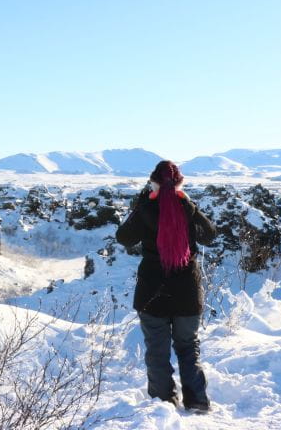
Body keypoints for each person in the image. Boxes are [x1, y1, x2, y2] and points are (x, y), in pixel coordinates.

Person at [116, 160, 217, 413]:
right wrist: (189, 203)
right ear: (181, 183)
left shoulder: (146, 209)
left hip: (153, 293)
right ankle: (197, 402)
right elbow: (210, 235)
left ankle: (162, 406)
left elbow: (124, 237)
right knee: (188, 348)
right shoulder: (187, 209)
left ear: (153, 183)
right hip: (187, 293)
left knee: (157, 352)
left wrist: (144, 201)